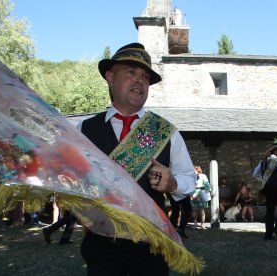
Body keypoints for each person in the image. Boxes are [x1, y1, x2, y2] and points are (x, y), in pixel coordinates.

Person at [78, 42, 196, 275]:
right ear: (110, 77)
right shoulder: (83, 130)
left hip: (151, 249)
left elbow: (189, 180)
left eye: (145, 77)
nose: (140, 81)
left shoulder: (164, 132)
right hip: (102, 249)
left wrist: (172, 184)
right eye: (131, 72)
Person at [253, 137, 277, 241]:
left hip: (267, 189)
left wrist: (264, 179)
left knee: (270, 211)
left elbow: (255, 175)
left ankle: (268, 234)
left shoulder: (263, 161)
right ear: (276, 151)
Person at [191, 165, 211, 229]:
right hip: (201, 193)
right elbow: (207, 185)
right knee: (201, 210)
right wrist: (207, 190)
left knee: (195, 209)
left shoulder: (192, 176)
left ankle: (195, 223)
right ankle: (202, 224)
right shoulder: (203, 176)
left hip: (195, 193)